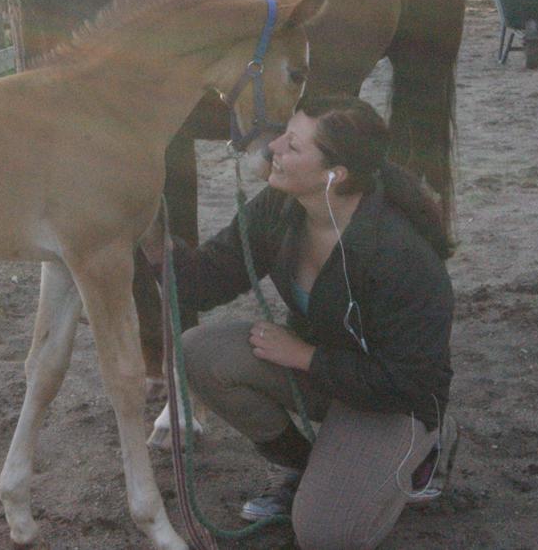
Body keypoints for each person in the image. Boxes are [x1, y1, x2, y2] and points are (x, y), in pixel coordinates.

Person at [140, 96, 457, 550]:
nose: (274, 151)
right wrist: (151, 235)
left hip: (393, 401)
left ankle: (427, 446)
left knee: (326, 535)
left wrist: (305, 356)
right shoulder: (279, 208)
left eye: (293, 145)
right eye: (283, 135)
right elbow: (204, 282)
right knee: (201, 352)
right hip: (326, 374)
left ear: (336, 174)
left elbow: (406, 381)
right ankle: (304, 465)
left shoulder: (399, 255)